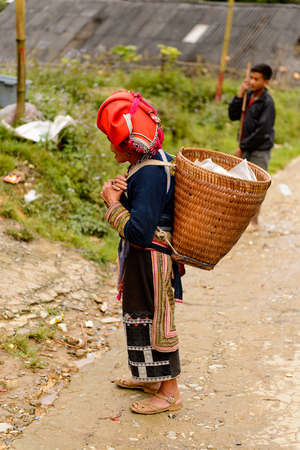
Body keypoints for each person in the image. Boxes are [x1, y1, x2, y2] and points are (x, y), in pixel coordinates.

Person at [97, 91, 183, 415]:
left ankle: (171, 392)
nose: (110, 146)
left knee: (155, 322)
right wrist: (125, 196)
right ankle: (150, 379)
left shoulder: (147, 172)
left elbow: (139, 231)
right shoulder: (151, 160)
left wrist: (113, 204)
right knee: (140, 319)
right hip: (146, 259)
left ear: (128, 144)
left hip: (150, 259)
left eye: (112, 140)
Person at [228, 63, 276, 231]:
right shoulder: (248, 96)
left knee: (256, 186)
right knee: (241, 182)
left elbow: (263, 130)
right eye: (251, 78)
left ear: (266, 82)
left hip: (259, 148)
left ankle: (253, 222)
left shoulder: (267, 102)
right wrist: (240, 93)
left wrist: (242, 146)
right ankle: (240, 219)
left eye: (257, 79)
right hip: (246, 145)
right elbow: (233, 115)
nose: (253, 82)